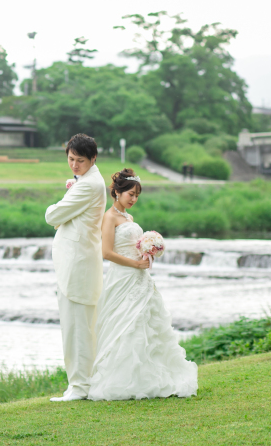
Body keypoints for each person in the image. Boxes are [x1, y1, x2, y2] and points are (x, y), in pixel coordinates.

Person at [88, 169, 198, 401]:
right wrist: (134, 264)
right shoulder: (110, 217)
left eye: (137, 195)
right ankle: (122, 380)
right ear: (117, 192)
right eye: (130, 194)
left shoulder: (129, 218)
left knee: (146, 324)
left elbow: (131, 245)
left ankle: (149, 376)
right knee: (125, 324)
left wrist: (147, 251)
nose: (134, 199)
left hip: (140, 278)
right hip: (122, 277)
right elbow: (106, 252)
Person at [44, 134, 106, 402]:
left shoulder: (88, 185)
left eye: (80, 160)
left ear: (93, 159)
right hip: (78, 263)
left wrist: (61, 201)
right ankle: (81, 384)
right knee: (79, 326)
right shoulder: (88, 181)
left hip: (78, 266)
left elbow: (53, 215)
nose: (74, 165)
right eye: (71, 159)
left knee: (77, 328)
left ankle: (79, 386)